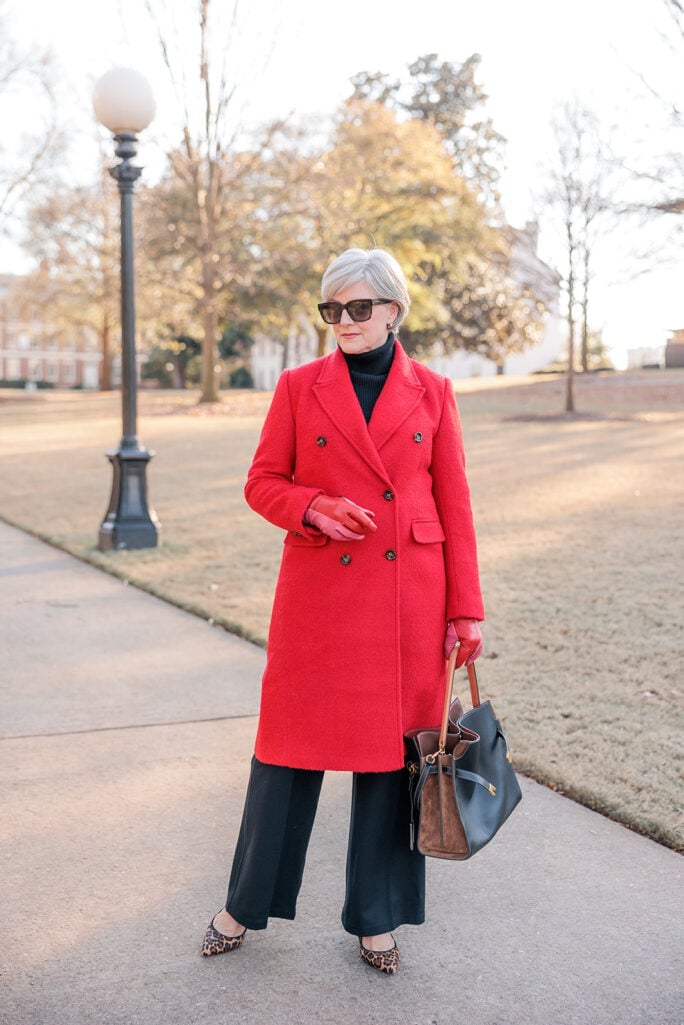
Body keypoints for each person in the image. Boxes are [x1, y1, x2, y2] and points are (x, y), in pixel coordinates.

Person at [201, 247, 484, 974]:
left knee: (393, 766)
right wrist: (313, 507)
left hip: (408, 606)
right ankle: (243, 905)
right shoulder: (300, 387)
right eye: (333, 310)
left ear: (393, 310)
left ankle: (377, 918)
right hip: (320, 600)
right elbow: (262, 482)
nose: (345, 322)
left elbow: (454, 505)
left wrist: (467, 611)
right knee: (286, 756)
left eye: (359, 308)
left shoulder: (434, 391)